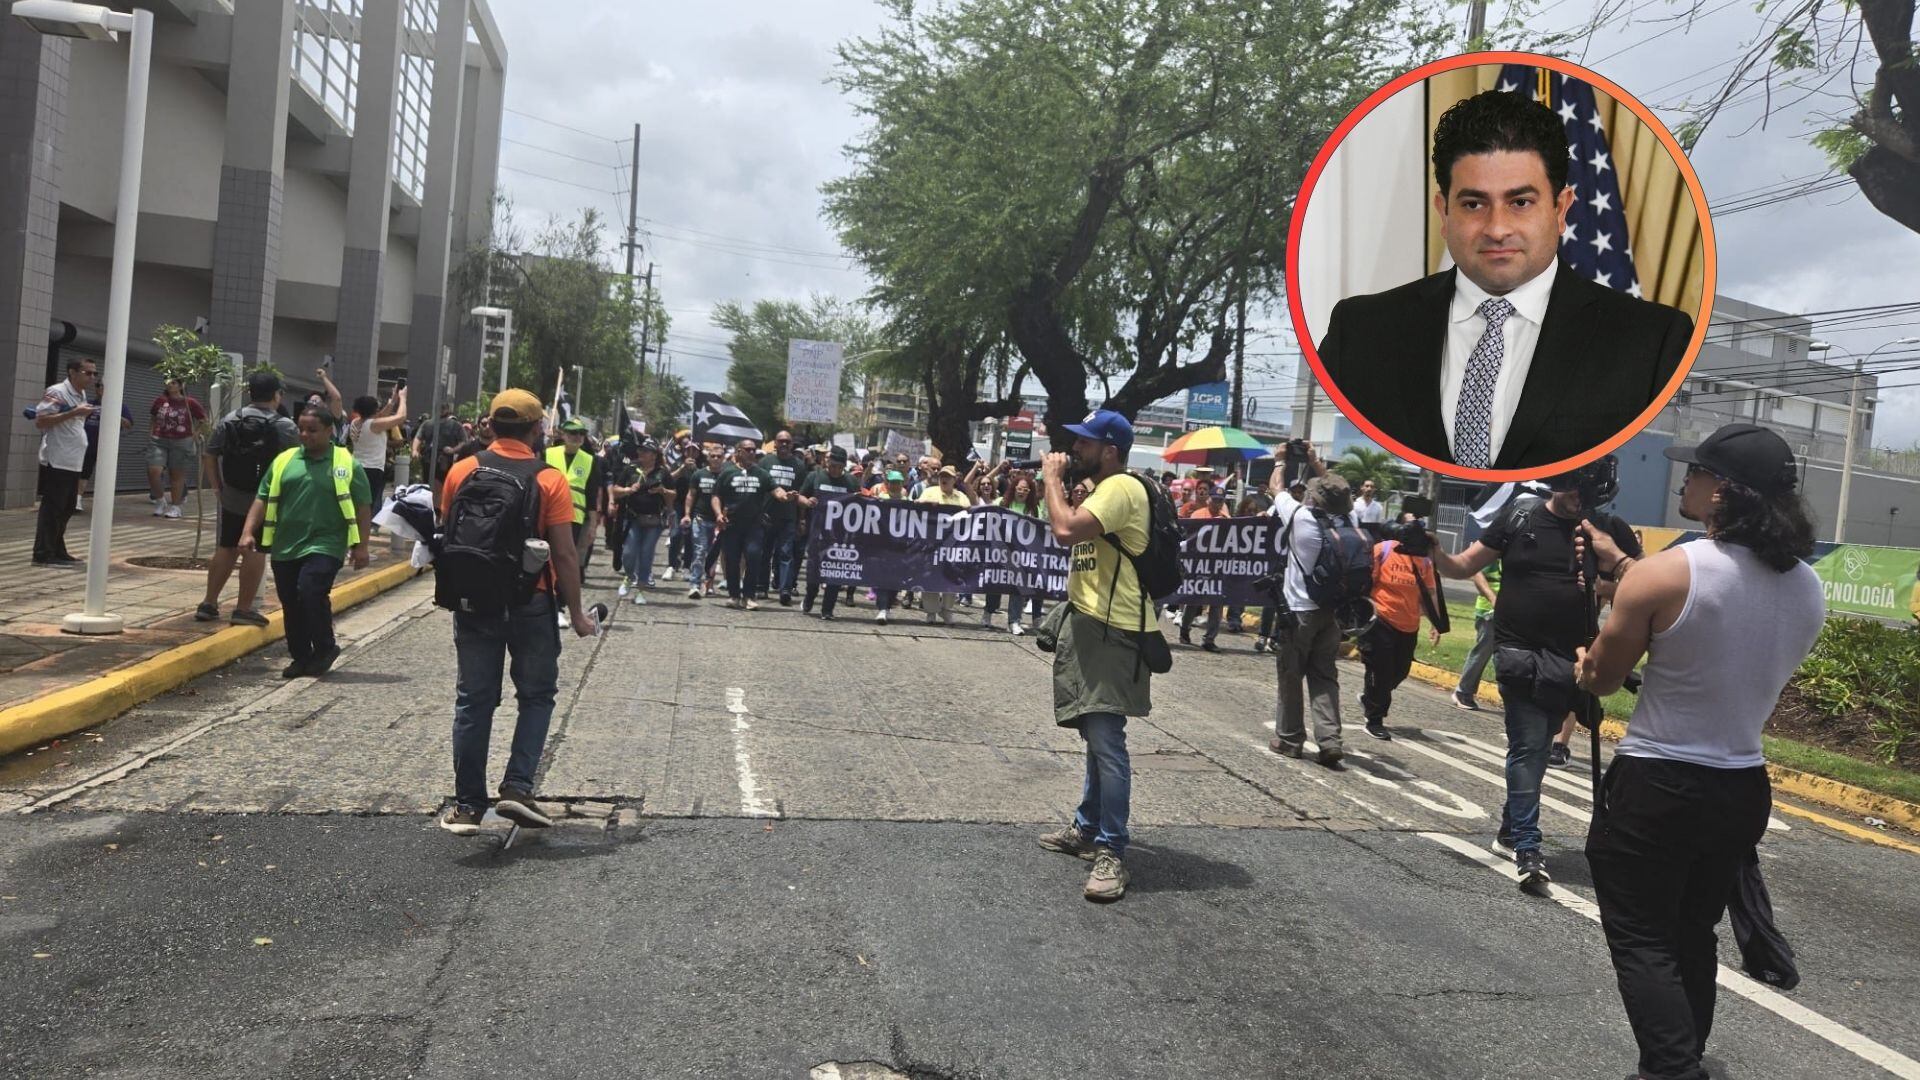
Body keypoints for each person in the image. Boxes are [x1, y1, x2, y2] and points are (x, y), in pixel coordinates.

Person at [1572, 423, 1823, 1080]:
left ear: (1724, 494)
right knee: (1691, 932)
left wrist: (1587, 662)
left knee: (1641, 935)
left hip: (1658, 780)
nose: (1685, 480)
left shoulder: (1662, 575)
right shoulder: (1806, 588)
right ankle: (1675, 1063)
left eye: (1697, 473)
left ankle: (1673, 1068)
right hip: (1741, 784)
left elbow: (1601, 676)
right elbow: (1727, 628)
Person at [1316, 89, 1694, 469]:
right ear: (1444, 213)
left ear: (1561, 209)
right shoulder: (1360, 331)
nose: (1497, 229)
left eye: (1520, 203)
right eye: (1473, 204)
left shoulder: (1653, 343)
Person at [1426, 459, 1644, 890]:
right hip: (1517, 652)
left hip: (1573, 658)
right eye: (1570, 490)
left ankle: (1509, 829)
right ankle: (1527, 844)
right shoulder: (1521, 514)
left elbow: (1644, 583)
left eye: (1585, 495)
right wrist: (1433, 550)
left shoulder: (1606, 530)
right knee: (1528, 746)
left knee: (1541, 746)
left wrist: (1604, 584)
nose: (1575, 501)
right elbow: (1463, 566)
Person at [437, 389, 597, 836]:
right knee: (537, 695)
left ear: (489, 425)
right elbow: (564, 555)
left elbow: (452, 534)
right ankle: (517, 787)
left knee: (474, 700)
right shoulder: (549, 479)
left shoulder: (462, 471)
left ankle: (468, 806)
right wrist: (579, 614)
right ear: (537, 430)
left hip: (473, 602)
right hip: (531, 602)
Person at [1034, 410, 1161, 903]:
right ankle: (1087, 830)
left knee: (1107, 740)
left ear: (1110, 451)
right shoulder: (1104, 491)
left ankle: (1112, 850)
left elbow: (1064, 531)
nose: (1075, 451)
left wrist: (1050, 479)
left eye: (1086, 444)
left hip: (1115, 633)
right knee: (1094, 733)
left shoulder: (1120, 488)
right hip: (1094, 628)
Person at [238, 404, 372, 678]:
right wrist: (247, 531)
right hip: (286, 545)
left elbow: (362, 506)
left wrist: (362, 546)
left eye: (312, 430)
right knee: (290, 601)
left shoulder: (346, 464)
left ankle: (325, 647)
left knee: (310, 590)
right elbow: (262, 498)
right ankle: (301, 657)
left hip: (327, 543)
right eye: (301, 429)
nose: (305, 435)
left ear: (328, 431)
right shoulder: (285, 461)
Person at [1268, 474, 1360, 769]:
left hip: (1299, 611)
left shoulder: (1300, 517)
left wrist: (1282, 459)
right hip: (1332, 613)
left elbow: (1276, 488)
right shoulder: (1350, 522)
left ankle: (1290, 739)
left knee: (1291, 675)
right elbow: (1338, 491)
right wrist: (1320, 467)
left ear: (1315, 498)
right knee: (1324, 677)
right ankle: (1330, 741)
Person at [198, 373, 298, 625]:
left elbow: (210, 454)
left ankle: (209, 603)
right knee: (256, 550)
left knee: (227, 546)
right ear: (277, 395)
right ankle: (243, 609)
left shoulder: (231, 419)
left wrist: (217, 486)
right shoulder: (286, 426)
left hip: (233, 494)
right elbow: (297, 462)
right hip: (266, 499)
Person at [1354, 525, 1448, 740]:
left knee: (1400, 671)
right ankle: (1375, 719)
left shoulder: (1423, 560)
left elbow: (1431, 592)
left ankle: (1371, 699)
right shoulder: (1383, 551)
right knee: (1381, 668)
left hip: (1409, 624)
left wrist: (1436, 623)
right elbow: (1367, 580)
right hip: (1380, 619)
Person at [31, 357, 97, 567]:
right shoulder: (57, 391)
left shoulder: (81, 394)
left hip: (73, 459)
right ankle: (43, 553)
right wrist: (75, 413)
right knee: (53, 507)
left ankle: (57, 548)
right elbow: (41, 421)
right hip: (58, 459)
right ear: (72, 372)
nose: (92, 378)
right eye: (88, 373)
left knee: (67, 507)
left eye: (94, 373)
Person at [715, 439, 787, 611]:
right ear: (738, 452)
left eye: (754, 450)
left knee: (754, 557)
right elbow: (716, 496)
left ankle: (749, 596)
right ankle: (734, 595)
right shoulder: (727, 473)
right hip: (731, 524)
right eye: (748, 450)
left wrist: (785, 495)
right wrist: (718, 514)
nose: (752, 453)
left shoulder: (761, 474)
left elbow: (776, 489)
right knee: (732, 560)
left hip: (754, 526)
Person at [546, 419, 606, 608]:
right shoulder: (547, 454)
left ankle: (560, 605)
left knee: (566, 562)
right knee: (546, 560)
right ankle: (546, 601)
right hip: (546, 515)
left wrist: (593, 526)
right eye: (572, 433)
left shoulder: (589, 460)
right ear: (562, 434)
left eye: (580, 433)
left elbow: (591, 495)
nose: (577, 437)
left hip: (574, 518)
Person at [799, 446, 864, 619]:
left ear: (844, 466)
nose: (835, 469)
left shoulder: (850, 482)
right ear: (827, 462)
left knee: (835, 572)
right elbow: (800, 496)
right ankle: (810, 596)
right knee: (814, 570)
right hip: (817, 533)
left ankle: (828, 609)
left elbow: (861, 503)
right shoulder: (815, 476)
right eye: (832, 465)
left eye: (839, 467)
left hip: (840, 536)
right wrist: (807, 503)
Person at [983, 474, 1046, 635]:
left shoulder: (1034, 509)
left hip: (1022, 557)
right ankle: (988, 612)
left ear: (1030, 492)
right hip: (1000, 553)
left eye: (1026, 489)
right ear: (1013, 488)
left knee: (1019, 588)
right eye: (1019, 488)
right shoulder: (1001, 503)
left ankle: (1014, 621)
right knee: (995, 586)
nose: (1022, 492)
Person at [612, 440, 672, 604]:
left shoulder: (662, 472)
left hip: (654, 520)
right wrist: (628, 490)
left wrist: (662, 490)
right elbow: (615, 490)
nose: (641, 454)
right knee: (629, 553)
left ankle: (641, 590)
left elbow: (673, 494)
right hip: (633, 518)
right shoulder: (631, 469)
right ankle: (629, 576)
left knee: (646, 553)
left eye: (646, 451)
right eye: (640, 451)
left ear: (654, 455)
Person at [758, 430, 810, 606]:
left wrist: (802, 519)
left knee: (786, 554)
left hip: (788, 518)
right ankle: (761, 587)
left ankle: (785, 590)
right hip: (767, 516)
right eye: (781, 441)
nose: (785, 444)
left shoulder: (799, 465)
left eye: (788, 442)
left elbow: (801, 495)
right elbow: (759, 489)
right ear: (775, 443)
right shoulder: (765, 462)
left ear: (792, 444)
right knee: (764, 554)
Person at [1179, 486, 1232, 652]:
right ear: (1209, 499)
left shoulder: (1226, 518)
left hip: (1217, 566)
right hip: (1198, 564)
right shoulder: (1198, 515)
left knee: (1217, 602)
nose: (1217, 503)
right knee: (1193, 601)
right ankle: (1185, 629)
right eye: (1215, 500)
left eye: (1220, 501)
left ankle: (1210, 639)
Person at [915, 464, 970, 624]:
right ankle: (931, 612)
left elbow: (969, 512)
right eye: (942, 476)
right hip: (931, 545)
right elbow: (917, 506)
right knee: (930, 576)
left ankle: (947, 611)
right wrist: (923, 503)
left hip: (953, 546)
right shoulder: (930, 492)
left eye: (948, 477)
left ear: (954, 480)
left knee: (952, 578)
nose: (944, 479)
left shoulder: (961, 497)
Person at [147, 378, 206, 518]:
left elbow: (203, 420)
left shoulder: (190, 402)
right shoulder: (160, 401)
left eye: (173, 382)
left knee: (176, 475)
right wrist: (150, 433)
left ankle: (175, 507)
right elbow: (153, 418)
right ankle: (160, 500)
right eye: (167, 382)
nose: (169, 384)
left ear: (180, 385)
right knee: (153, 471)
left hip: (181, 441)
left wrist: (194, 435)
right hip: (159, 440)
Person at [346, 386, 407, 515]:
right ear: (373, 410)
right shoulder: (374, 425)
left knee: (354, 504)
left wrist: (393, 400)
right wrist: (403, 398)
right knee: (366, 507)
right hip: (372, 470)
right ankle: (362, 533)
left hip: (355, 466)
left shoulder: (355, 423)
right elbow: (401, 416)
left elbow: (380, 416)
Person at [1451, 563, 1502, 710]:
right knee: (1483, 651)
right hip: (1490, 611)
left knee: (1503, 655)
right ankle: (1463, 692)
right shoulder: (1498, 551)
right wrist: (1493, 599)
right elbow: (1477, 573)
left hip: (1509, 611)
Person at [869, 470, 909, 624]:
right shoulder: (880, 499)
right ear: (887, 483)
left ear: (902, 484)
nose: (895, 485)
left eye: (898, 482)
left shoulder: (908, 501)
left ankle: (888, 606)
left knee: (895, 580)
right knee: (882, 578)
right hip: (883, 545)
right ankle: (882, 608)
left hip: (900, 547)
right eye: (892, 482)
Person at [684, 445, 723, 599]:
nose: (715, 459)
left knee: (713, 556)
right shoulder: (699, 474)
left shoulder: (726, 476)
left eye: (719, 456)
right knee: (699, 552)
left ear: (723, 458)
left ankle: (709, 583)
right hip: (700, 519)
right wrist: (687, 514)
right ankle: (694, 584)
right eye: (713, 456)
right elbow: (691, 495)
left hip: (718, 522)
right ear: (708, 457)